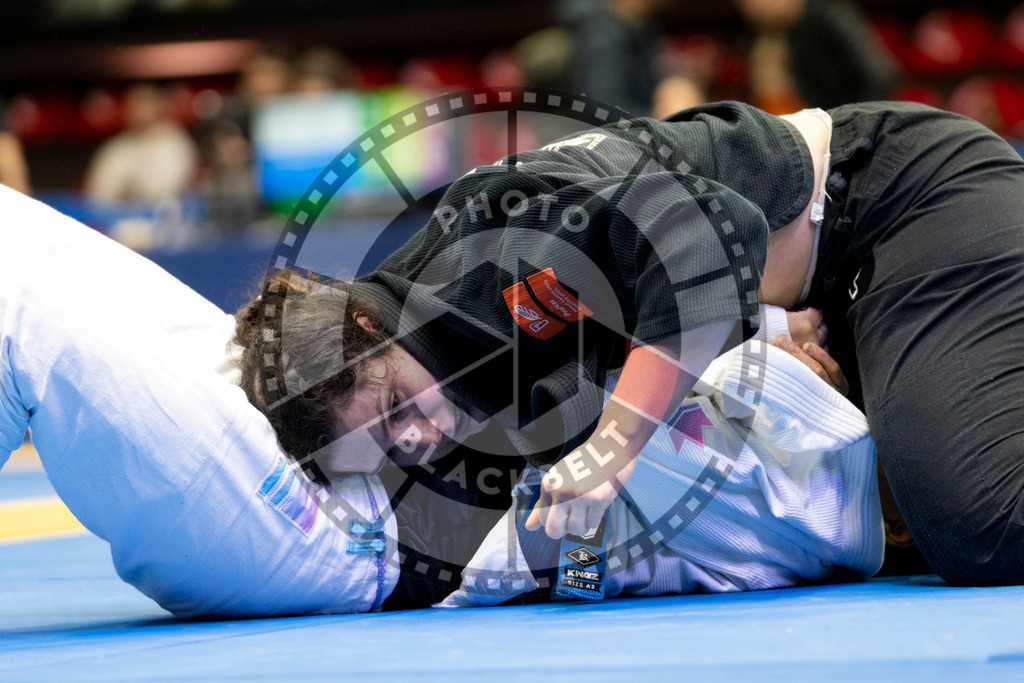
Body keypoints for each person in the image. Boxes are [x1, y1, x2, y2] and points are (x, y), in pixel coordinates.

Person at [236, 98, 1024, 590]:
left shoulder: (488, 238)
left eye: (391, 411)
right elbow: (572, 538)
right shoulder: (451, 375)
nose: (413, 439)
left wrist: (615, 443)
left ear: (368, 325)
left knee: (975, 523)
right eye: (386, 451)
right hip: (829, 298)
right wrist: (579, 567)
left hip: (899, 199)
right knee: (899, 509)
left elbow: (709, 237)